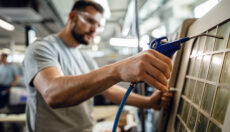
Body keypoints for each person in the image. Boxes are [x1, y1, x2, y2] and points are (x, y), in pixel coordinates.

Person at [23, 1, 173, 132]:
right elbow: (52, 94)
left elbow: (109, 90)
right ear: (72, 16)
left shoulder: (85, 58)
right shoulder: (42, 48)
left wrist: (149, 103)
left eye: (98, 25)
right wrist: (118, 69)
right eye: (89, 21)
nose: (94, 29)